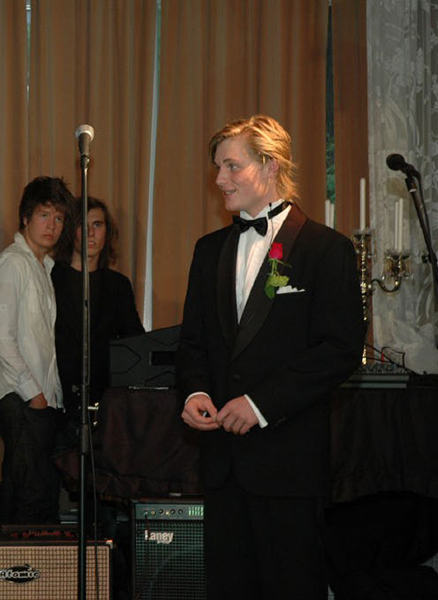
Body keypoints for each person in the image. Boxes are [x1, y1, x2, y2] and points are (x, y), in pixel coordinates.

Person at [176, 114, 365, 599]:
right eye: (218, 168)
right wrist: (195, 392)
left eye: (232, 166)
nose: (220, 180)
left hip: (288, 466)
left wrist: (260, 404)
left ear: (271, 165)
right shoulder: (208, 250)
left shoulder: (327, 250)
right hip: (222, 468)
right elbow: (193, 342)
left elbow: (340, 349)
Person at [0, 176, 71, 525]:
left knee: (31, 497)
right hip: (20, 399)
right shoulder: (13, 263)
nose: (52, 225)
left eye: (59, 218)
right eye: (44, 215)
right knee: (27, 499)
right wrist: (34, 395)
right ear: (25, 217)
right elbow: (1, 340)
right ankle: (1, 560)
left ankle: (5, 557)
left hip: (41, 401)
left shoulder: (44, 267)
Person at [52, 196, 144, 434]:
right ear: (70, 231)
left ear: (107, 232)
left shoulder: (118, 285)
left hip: (106, 403)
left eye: (97, 225)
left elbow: (135, 342)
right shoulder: (51, 277)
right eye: (82, 225)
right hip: (56, 399)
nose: (90, 233)